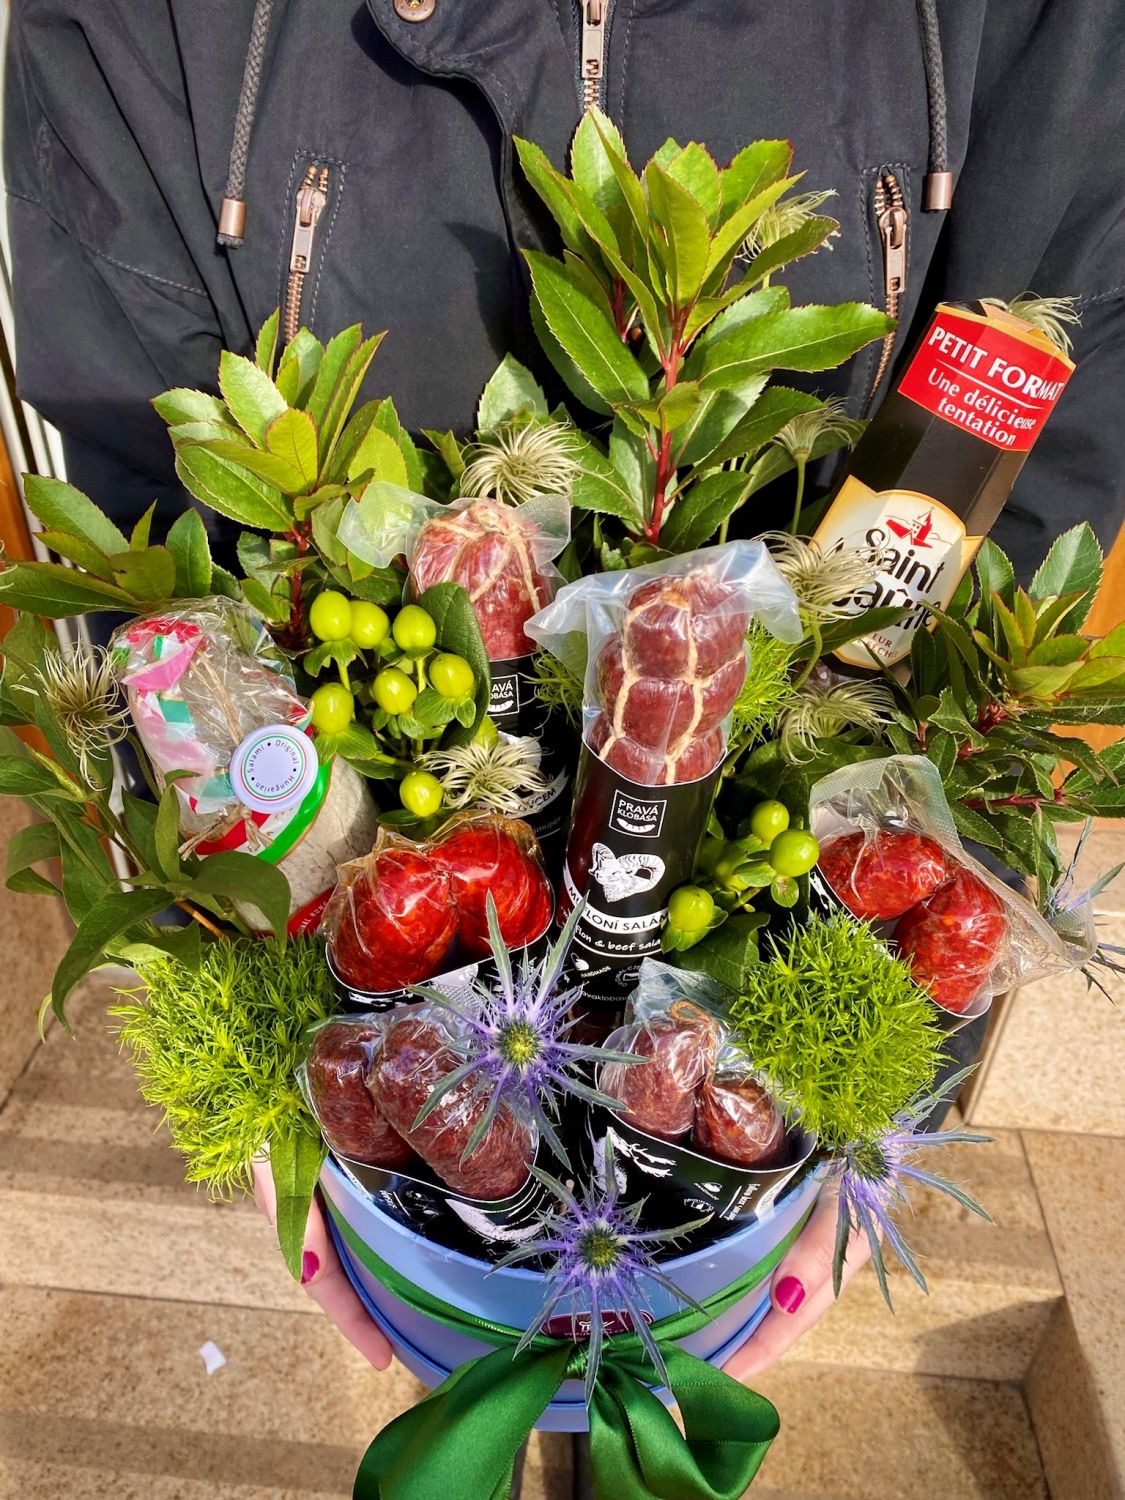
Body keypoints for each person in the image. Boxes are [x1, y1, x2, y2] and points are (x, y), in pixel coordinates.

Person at [5, 0, 1124, 1405]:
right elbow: (138, 512)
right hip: (394, 1032)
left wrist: (869, 1102)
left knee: (646, 1380)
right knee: (484, 1353)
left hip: (755, 1045)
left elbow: (1035, 462)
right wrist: (266, 1060)